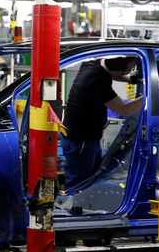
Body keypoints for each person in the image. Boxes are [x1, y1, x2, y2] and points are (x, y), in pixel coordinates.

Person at [61, 57, 143, 188]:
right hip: (81, 141)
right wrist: (151, 96)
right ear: (117, 70)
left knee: (91, 175)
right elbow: (124, 109)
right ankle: (70, 205)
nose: (129, 72)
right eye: (128, 70)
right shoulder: (98, 81)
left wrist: (130, 79)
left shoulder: (93, 62)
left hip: (83, 138)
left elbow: (113, 74)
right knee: (80, 182)